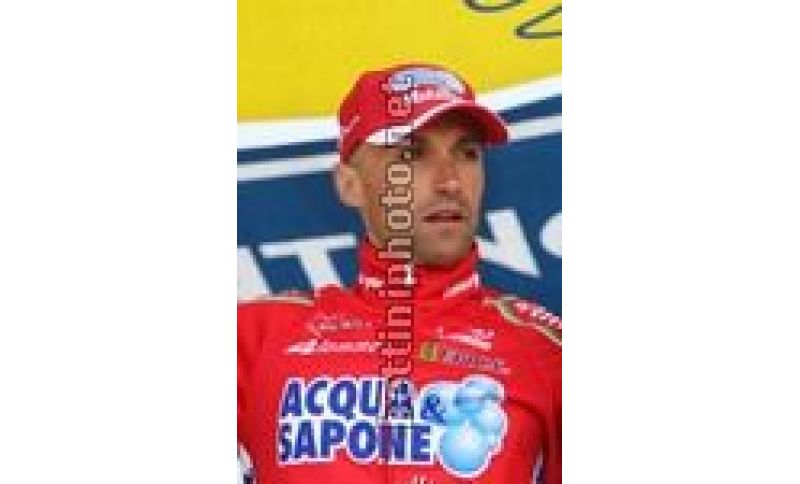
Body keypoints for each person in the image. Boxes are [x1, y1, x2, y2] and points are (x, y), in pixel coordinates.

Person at [238, 63, 561, 483]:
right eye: (413, 154)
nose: (450, 182)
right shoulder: (257, 336)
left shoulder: (544, 350)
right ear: (350, 184)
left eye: (467, 153)